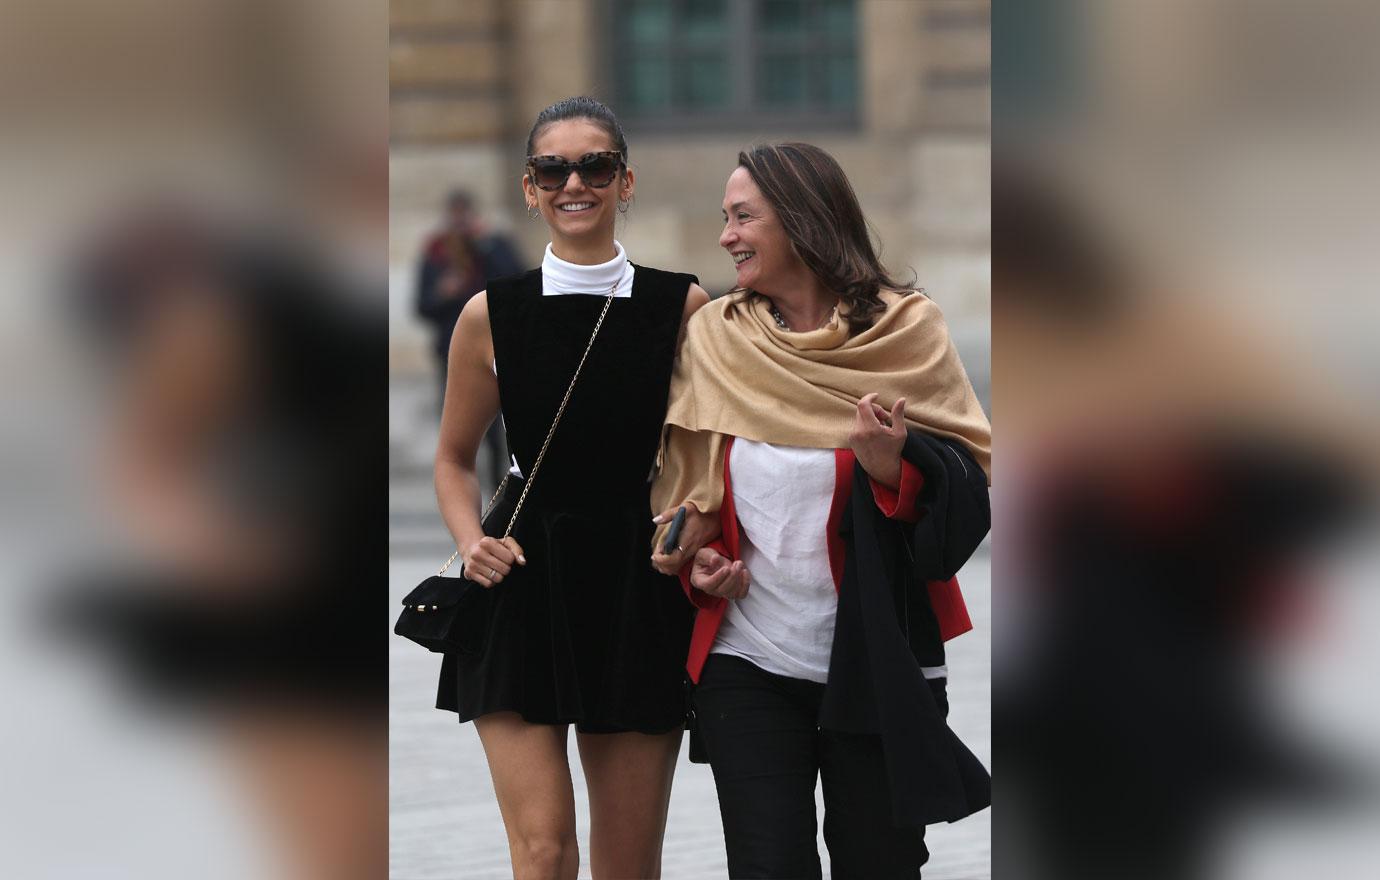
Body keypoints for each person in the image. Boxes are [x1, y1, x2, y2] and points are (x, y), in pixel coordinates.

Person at [650, 143, 993, 878]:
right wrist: (701, 565)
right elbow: (688, 501)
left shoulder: (906, 332)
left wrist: (890, 469)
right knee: (768, 865)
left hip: (876, 660)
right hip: (746, 662)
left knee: (882, 863)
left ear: (803, 222)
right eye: (723, 218)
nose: (725, 236)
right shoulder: (719, 340)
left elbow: (966, 493)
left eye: (743, 217)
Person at [432, 96, 709, 879]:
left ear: (626, 183)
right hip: (521, 575)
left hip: (634, 577)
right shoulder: (492, 315)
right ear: (529, 186)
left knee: (627, 863)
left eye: (596, 165)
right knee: (544, 850)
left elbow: (712, 459)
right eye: (553, 168)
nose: (573, 182)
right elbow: (453, 457)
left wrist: (691, 533)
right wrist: (469, 540)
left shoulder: (681, 306)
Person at [415, 189, 523, 488]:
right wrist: (442, 293)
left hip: (495, 346)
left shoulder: (492, 245)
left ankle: (501, 487)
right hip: (450, 350)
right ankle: (462, 488)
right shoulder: (436, 252)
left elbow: (515, 280)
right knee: (456, 430)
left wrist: (485, 244)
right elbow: (422, 306)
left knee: (501, 429)